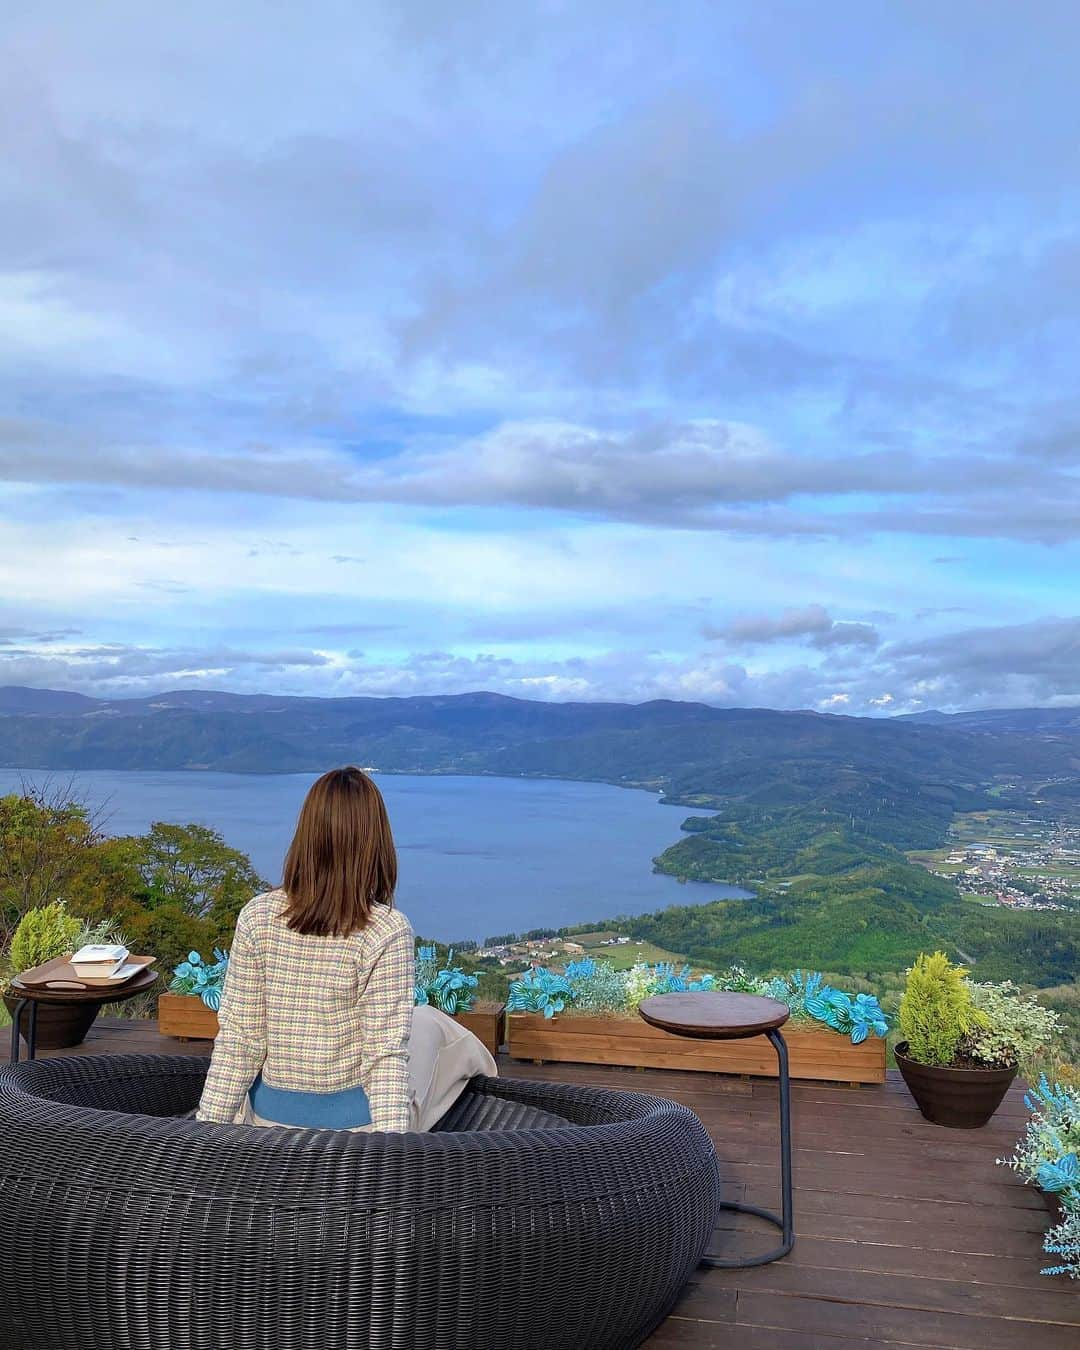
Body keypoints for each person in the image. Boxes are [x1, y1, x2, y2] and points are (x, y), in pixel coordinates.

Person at [195, 766, 496, 1131]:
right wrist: (389, 1158)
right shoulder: (386, 929)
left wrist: (204, 1135)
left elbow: (239, 1041)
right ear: (376, 843)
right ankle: (488, 1075)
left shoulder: (258, 917)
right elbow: (384, 1058)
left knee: (419, 1026)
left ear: (305, 836)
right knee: (431, 1026)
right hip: (357, 1139)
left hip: (268, 1125)